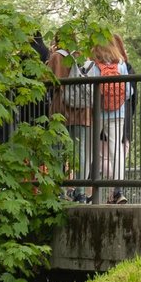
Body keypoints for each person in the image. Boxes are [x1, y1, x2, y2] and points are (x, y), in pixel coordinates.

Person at [47, 35, 92, 203]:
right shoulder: (81, 56)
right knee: (80, 152)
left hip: (61, 111)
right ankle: (80, 192)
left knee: (57, 150)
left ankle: (58, 190)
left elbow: (47, 81)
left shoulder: (57, 57)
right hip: (83, 112)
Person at [88, 39, 131, 204]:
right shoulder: (120, 64)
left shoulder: (94, 65)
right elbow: (128, 92)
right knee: (116, 151)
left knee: (90, 150)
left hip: (98, 113)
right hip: (118, 113)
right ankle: (118, 190)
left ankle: (86, 190)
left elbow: (90, 91)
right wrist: (117, 102)